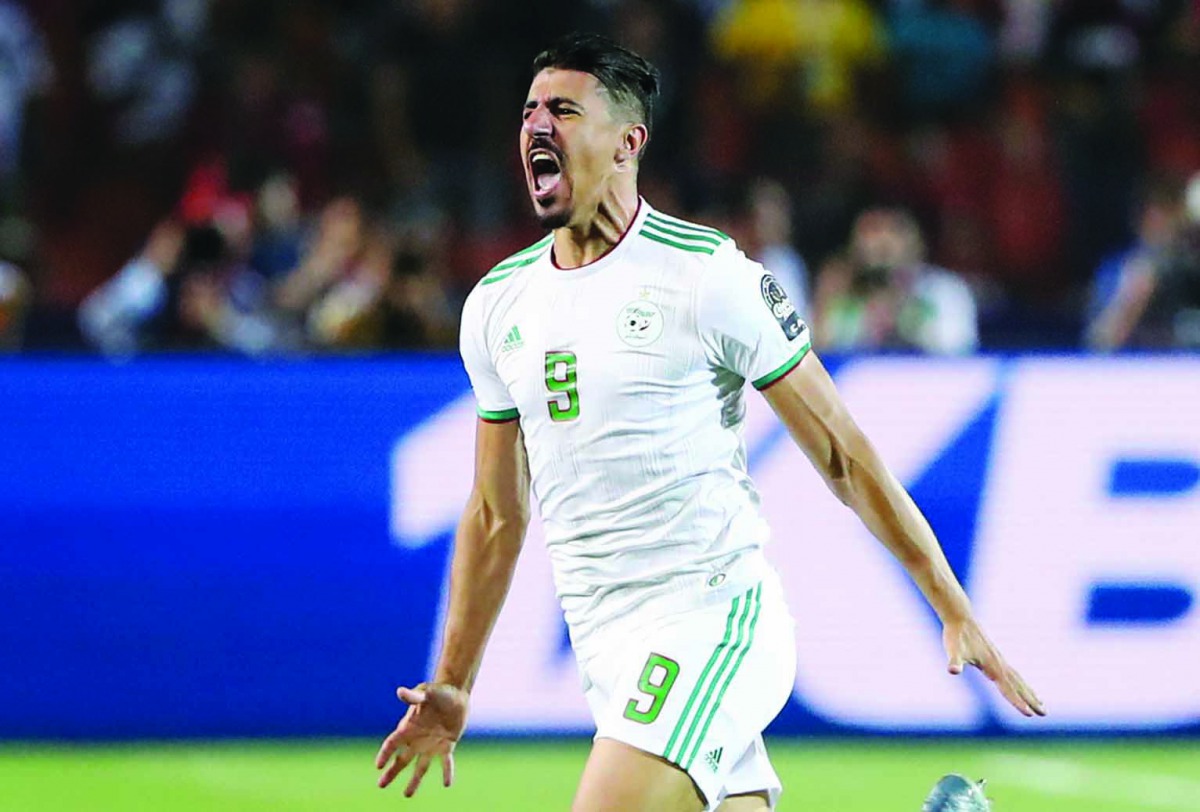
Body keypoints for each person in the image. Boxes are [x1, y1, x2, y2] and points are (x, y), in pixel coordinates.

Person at [375, 33, 1044, 812]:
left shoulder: (706, 275)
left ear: (628, 143)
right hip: (607, 650)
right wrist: (454, 682)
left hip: (712, 623)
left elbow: (843, 453)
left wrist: (950, 602)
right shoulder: (498, 305)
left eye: (564, 110)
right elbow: (496, 513)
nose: (537, 126)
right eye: (530, 112)